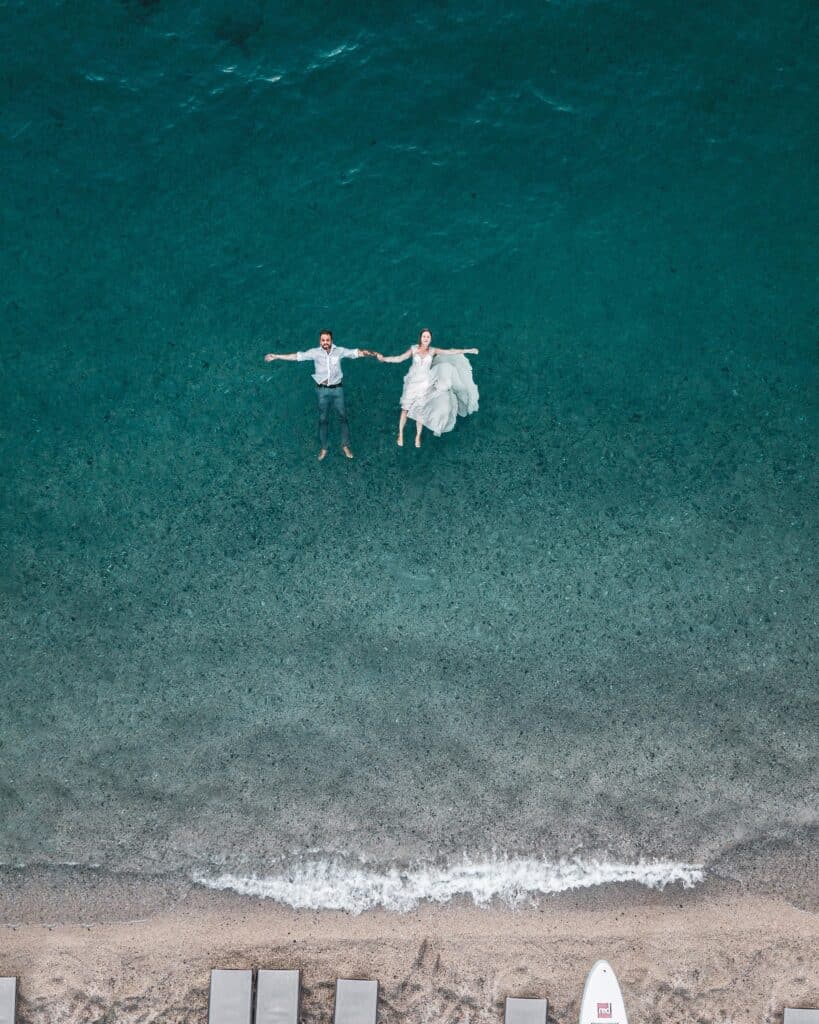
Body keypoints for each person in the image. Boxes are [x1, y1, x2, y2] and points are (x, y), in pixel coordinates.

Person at [264, 330, 378, 460]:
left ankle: (345, 445)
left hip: (337, 390)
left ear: (331, 340)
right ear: (320, 341)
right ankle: (324, 448)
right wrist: (277, 356)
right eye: (323, 340)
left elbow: (357, 352)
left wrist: (374, 354)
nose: (325, 342)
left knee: (343, 417)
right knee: (323, 419)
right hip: (322, 391)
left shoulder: (339, 351)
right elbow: (297, 356)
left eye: (327, 340)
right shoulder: (315, 353)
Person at [377, 329, 479, 447]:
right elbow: (399, 358)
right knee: (405, 409)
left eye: (428, 337)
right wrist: (384, 359)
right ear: (420, 338)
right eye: (424, 336)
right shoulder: (414, 349)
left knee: (421, 409)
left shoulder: (432, 350)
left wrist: (469, 350)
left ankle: (418, 436)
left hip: (425, 382)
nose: (426, 338)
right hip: (413, 382)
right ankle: (400, 434)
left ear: (430, 339)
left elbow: (450, 352)